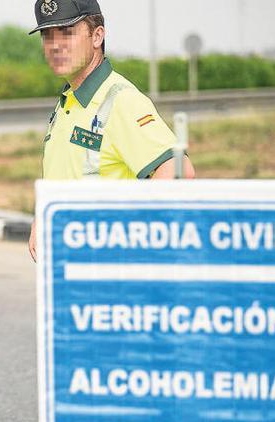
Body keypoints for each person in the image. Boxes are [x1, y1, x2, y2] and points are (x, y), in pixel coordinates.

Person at [27, 0, 195, 261]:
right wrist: (43, 214)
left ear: (97, 36)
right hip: (68, 273)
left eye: (67, 33)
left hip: (106, 272)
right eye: (47, 35)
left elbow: (177, 173)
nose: (55, 45)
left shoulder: (121, 100)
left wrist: (124, 239)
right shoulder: (68, 103)